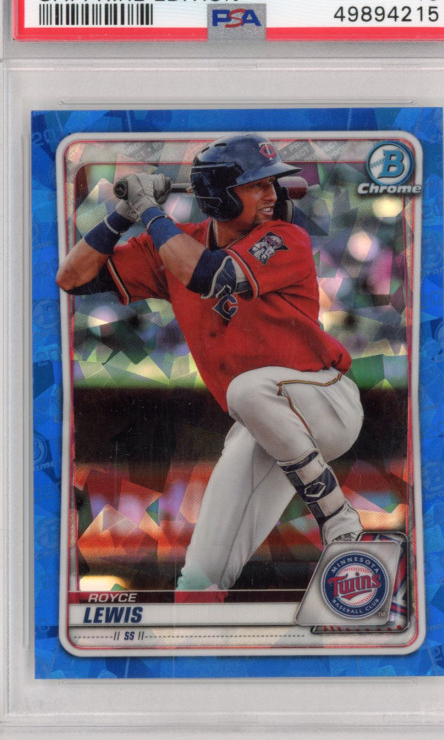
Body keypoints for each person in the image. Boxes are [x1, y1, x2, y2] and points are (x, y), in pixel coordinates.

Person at [56, 132, 364, 602]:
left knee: (246, 390)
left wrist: (150, 210)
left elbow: (207, 274)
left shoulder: (285, 238)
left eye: (272, 183)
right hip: (265, 427)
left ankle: (339, 517)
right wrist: (121, 213)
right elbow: (72, 278)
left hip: (324, 399)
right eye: (257, 185)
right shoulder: (172, 248)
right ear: (219, 197)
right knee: (199, 579)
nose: (272, 194)